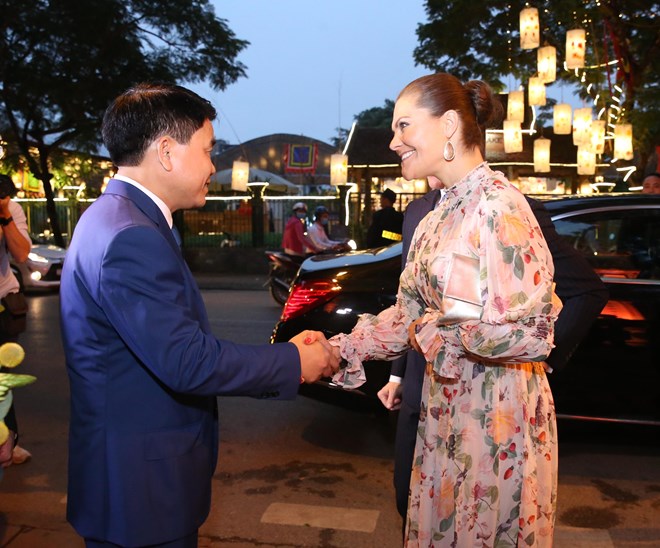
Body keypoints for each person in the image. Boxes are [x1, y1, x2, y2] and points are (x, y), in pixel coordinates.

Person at [59, 83, 339, 548]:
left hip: (128, 479)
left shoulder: (112, 218)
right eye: (208, 151)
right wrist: (293, 362)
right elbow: (186, 361)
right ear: (167, 152)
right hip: (140, 493)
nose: (213, 166)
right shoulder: (131, 235)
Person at [329, 73, 563, 546]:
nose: (394, 142)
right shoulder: (437, 216)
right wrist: (340, 348)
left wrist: (445, 333)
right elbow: (407, 314)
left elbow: (536, 332)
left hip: (497, 417)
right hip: (446, 409)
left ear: (450, 125)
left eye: (404, 127)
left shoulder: (500, 208)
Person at [379, 186, 609, 529]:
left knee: (479, 521)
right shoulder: (415, 212)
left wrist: (540, 354)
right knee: (409, 505)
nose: (394, 143)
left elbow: (587, 290)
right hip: (420, 387)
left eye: (404, 128)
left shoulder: (509, 208)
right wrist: (397, 375)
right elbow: (410, 303)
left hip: (485, 404)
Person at [0, 174, 32, 468]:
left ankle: (8, 439)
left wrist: (4, 215)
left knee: (2, 381)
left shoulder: (10, 209)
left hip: (3, 305)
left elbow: (21, 253)